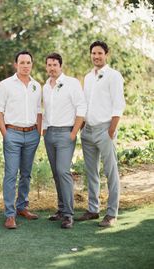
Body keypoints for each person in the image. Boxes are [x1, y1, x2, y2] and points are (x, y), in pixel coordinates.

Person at [78, 40, 126, 227]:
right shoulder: (88, 77)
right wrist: (82, 125)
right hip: (88, 130)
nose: (96, 56)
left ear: (106, 54)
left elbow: (118, 105)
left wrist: (111, 130)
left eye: (99, 53)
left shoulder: (113, 76)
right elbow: (85, 104)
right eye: (93, 53)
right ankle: (93, 209)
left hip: (105, 129)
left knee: (111, 172)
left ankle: (112, 213)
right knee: (91, 172)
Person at [0, 51, 42, 229]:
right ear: (16, 64)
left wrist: (38, 133)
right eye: (22, 62)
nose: (25, 65)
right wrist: (5, 133)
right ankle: (9, 214)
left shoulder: (37, 86)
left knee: (26, 174)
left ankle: (22, 207)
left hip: (32, 135)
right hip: (12, 133)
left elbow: (39, 111)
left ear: (32, 64)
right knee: (10, 174)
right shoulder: (6, 84)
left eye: (28, 62)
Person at [43, 53, 87, 229]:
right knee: (56, 173)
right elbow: (45, 111)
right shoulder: (45, 86)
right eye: (49, 65)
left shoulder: (72, 83)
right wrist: (45, 131)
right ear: (46, 67)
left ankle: (69, 215)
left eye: (55, 64)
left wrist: (73, 133)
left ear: (60, 66)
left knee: (63, 171)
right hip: (50, 134)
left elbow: (81, 108)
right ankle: (60, 210)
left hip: (65, 134)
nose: (52, 68)